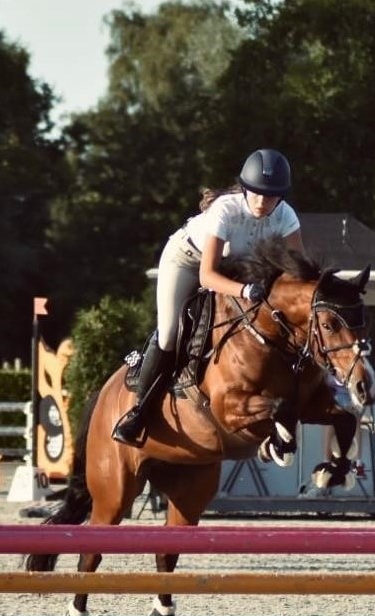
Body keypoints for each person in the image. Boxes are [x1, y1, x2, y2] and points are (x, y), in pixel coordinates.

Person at [112, 148, 306, 445]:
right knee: (170, 333)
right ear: (244, 189)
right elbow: (207, 277)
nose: (263, 201)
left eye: (271, 195)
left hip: (237, 268)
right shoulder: (226, 210)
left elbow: (297, 273)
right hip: (187, 261)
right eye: (255, 193)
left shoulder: (286, 216)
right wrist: (244, 290)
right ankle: (139, 413)